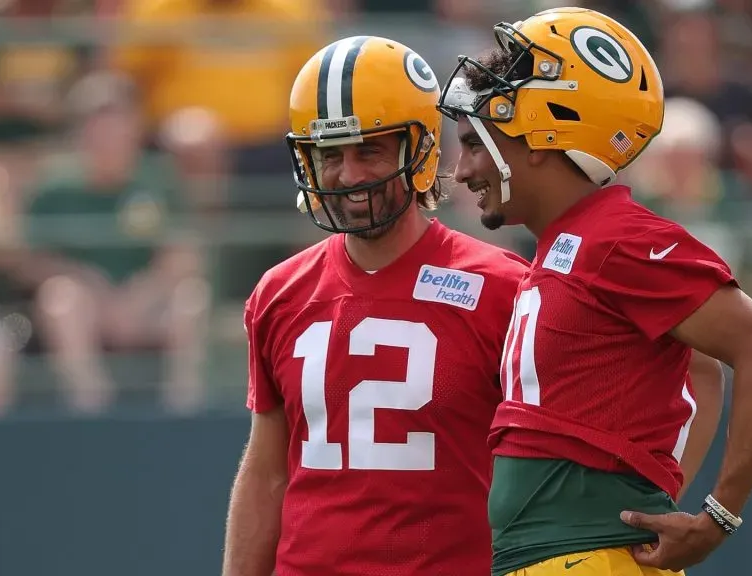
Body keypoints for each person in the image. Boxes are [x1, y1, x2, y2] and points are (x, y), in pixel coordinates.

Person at [437, 7, 752, 576]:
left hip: (590, 559)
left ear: (540, 135)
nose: (461, 171)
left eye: (475, 143)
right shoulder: (571, 244)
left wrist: (718, 517)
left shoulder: (617, 240)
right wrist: (659, 490)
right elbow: (700, 367)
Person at [220, 36, 530, 576]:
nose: (349, 174)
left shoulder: (502, 288)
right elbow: (267, 472)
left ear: (422, 151)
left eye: (370, 150)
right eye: (330, 155)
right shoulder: (279, 291)